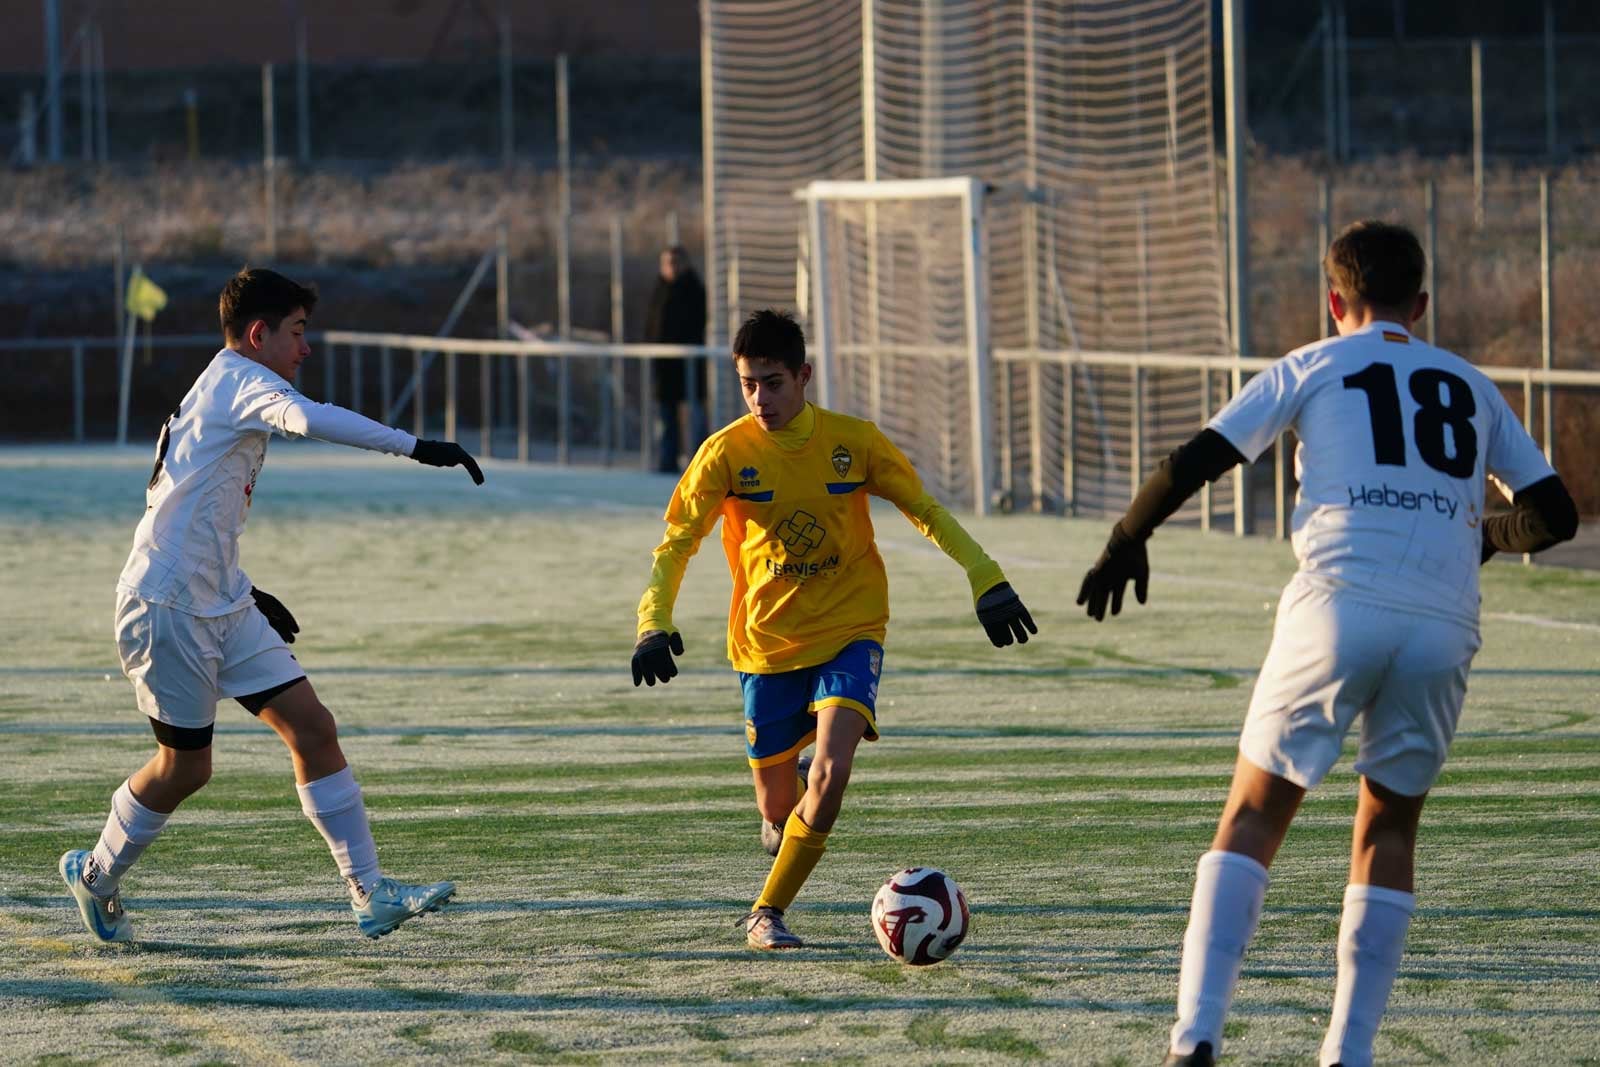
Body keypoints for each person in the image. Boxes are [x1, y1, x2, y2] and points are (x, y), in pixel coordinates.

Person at [1075, 221, 1578, 1067]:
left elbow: (1198, 456)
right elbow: (1555, 513)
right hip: (1443, 622)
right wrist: (1478, 535)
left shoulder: (1314, 362)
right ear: (1420, 304)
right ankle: (1347, 1054)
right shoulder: (1473, 386)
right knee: (1388, 826)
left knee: (1253, 812)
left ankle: (1195, 1038)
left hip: (1337, 605)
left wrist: (1129, 534)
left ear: (1333, 300)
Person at [60, 267, 488, 944]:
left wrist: (243, 585)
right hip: (167, 606)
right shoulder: (244, 382)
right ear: (258, 334)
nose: (304, 349)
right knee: (186, 767)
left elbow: (184, 501)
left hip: (222, 599)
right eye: (297, 332)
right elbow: (310, 417)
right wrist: (417, 446)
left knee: (313, 727)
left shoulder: (223, 385)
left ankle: (369, 893)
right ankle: (96, 874)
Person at [630, 308, 1038, 950]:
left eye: (773, 382)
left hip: (852, 627)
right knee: (776, 808)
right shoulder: (727, 453)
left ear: (804, 376)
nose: (760, 398)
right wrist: (653, 622)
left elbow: (924, 509)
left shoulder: (855, 442)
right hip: (765, 643)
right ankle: (783, 801)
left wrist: (986, 578)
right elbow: (677, 542)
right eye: (748, 384)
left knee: (832, 771)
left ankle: (765, 912)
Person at [643, 245, 708, 472]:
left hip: (690, 365)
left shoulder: (694, 290)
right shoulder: (659, 290)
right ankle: (666, 462)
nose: (671, 267)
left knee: (695, 417)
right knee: (665, 418)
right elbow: (652, 327)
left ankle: (702, 465)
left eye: (675, 262)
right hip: (664, 368)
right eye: (667, 263)